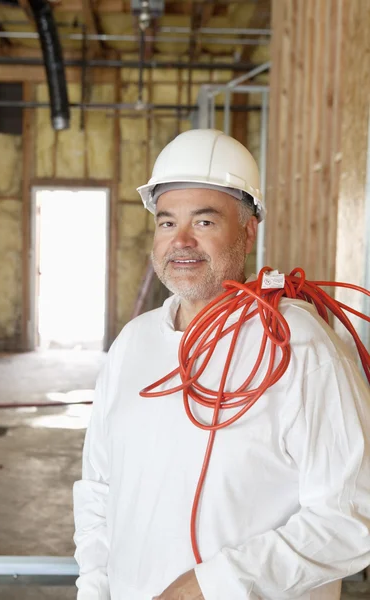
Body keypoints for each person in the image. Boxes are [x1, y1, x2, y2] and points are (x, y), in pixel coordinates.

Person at [73, 129, 370, 600]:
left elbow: (352, 517)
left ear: (248, 231)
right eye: (167, 223)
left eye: (205, 222)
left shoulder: (300, 346)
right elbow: (99, 490)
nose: (181, 241)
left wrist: (213, 585)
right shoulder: (133, 344)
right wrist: (94, 589)